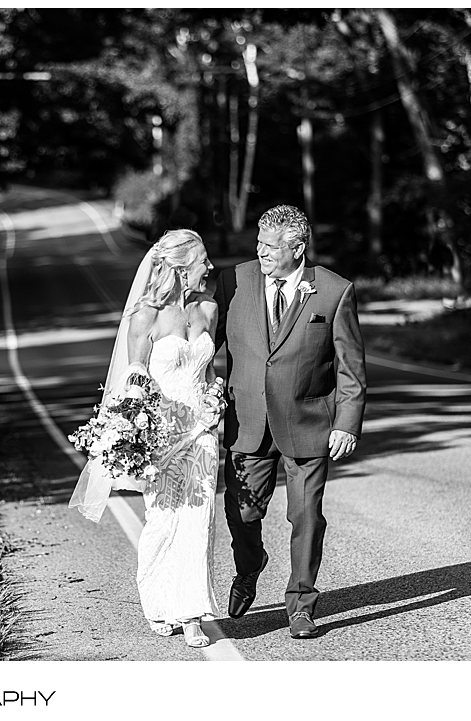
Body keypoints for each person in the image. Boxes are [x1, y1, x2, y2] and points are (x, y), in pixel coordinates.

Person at [213, 205, 367, 639]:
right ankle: (249, 565)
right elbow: (208, 347)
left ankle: (301, 603)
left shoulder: (334, 291)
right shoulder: (234, 281)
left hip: (309, 422)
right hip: (246, 420)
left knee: (306, 516)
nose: (260, 251)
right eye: (258, 242)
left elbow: (349, 367)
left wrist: (346, 423)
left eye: (270, 245)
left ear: (297, 249)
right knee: (240, 511)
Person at [70, 229, 222, 648]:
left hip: (202, 434)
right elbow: (133, 380)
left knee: (200, 520)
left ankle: (192, 613)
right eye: (202, 260)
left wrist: (214, 396)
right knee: (163, 522)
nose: (209, 268)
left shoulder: (208, 310)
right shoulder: (146, 317)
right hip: (161, 436)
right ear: (178, 267)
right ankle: (160, 601)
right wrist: (131, 433)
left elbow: (207, 373)